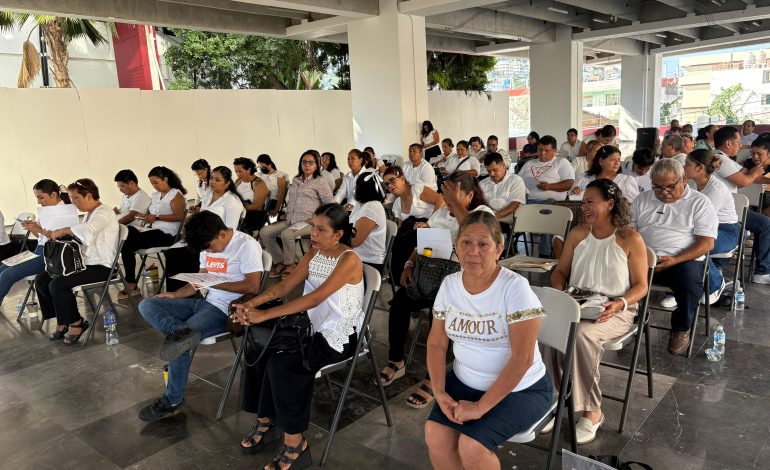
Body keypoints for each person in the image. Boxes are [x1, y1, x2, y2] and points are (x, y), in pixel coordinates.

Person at [234, 204, 364, 469]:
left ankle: (296, 444)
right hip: (312, 326)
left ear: (338, 235)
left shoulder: (348, 258)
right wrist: (252, 305)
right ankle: (266, 419)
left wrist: (264, 315)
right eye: (312, 226)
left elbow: (314, 298)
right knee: (260, 347)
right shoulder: (314, 253)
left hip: (339, 334)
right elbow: (284, 285)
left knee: (285, 365)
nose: (312, 233)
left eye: (320, 229)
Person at [423, 211, 551, 470]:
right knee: (435, 434)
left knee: (472, 446)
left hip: (522, 389)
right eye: (466, 242)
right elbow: (437, 343)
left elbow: (522, 359)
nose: (472, 251)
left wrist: (481, 407)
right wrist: (439, 391)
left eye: (483, 244)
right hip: (464, 380)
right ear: (456, 246)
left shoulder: (514, 288)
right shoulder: (449, 285)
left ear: (499, 249)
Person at [548, 179, 649, 444]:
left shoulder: (629, 238)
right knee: (545, 325)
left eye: (590, 202)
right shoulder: (579, 233)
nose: (585, 208)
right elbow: (560, 271)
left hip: (617, 309)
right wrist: (561, 292)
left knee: (582, 335)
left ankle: (593, 411)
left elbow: (641, 286)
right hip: (579, 302)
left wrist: (620, 304)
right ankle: (555, 396)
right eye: (584, 202)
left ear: (611, 204)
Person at [137, 211, 263, 422]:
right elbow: (200, 279)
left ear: (222, 233)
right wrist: (176, 295)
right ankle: (179, 332)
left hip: (223, 310)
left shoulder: (246, 245)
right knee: (147, 304)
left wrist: (214, 284)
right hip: (202, 302)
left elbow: (253, 285)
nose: (208, 251)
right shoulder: (208, 247)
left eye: (210, 246)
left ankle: (173, 398)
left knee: (179, 342)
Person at [382, 172, 491, 410]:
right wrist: (410, 264)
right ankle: (397, 360)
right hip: (429, 275)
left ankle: (434, 380)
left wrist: (456, 206)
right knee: (399, 301)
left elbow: (473, 233)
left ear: (470, 195)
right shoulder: (442, 212)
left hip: (461, 283)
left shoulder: (482, 215)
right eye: (446, 195)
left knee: (438, 313)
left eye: (454, 196)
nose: (447, 202)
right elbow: (423, 241)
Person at [632, 159, 718, 355]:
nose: (664, 192)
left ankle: (681, 328)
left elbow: (706, 243)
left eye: (670, 186)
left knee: (688, 282)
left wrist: (675, 260)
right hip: (645, 258)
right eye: (657, 187)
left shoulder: (699, 202)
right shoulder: (642, 200)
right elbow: (628, 233)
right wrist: (640, 255)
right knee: (615, 271)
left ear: (684, 179)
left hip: (682, 260)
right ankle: (629, 318)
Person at [35, 179, 120, 345]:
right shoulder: (90, 213)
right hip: (86, 263)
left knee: (57, 284)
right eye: (72, 199)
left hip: (103, 266)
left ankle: (76, 322)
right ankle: (61, 320)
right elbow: (80, 236)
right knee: (43, 279)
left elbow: (88, 231)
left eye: (76, 199)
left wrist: (66, 230)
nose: (73, 203)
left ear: (89, 196)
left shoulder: (104, 212)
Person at [261, 151, 334, 279]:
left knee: (287, 234)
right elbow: (291, 200)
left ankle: (291, 265)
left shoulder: (320, 181)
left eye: (311, 162)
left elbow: (330, 204)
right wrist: (285, 212)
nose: (307, 165)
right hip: (290, 219)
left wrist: (317, 219)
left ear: (317, 165)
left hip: (308, 221)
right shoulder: (296, 180)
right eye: (304, 162)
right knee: (265, 232)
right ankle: (281, 261)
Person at [118, 166, 187, 299]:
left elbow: (180, 217)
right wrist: (145, 217)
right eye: (152, 183)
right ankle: (131, 281)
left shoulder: (176, 194)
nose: (154, 186)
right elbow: (152, 214)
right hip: (152, 229)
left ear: (165, 179)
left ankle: (130, 282)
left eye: (156, 182)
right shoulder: (155, 195)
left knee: (128, 235)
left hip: (168, 234)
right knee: (126, 239)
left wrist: (157, 217)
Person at [0, 180, 71, 305]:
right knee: (2, 267)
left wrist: (38, 229)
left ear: (53, 195)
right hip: (40, 250)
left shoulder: (64, 212)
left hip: (53, 256)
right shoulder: (48, 210)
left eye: (41, 197)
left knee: (8, 274)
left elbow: (60, 240)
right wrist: (33, 228)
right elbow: (41, 237)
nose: (39, 202)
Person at [684, 149, 739, 304]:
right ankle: (683, 287)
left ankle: (716, 283)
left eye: (687, 164)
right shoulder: (690, 183)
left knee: (694, 246)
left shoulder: (716, 189)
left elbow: (701, 219)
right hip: (701, 228)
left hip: (726, 230)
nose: (683, 167)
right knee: (681, 242)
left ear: (699, 168)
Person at [520, 135, 576, 256]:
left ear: (555, 151)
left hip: (552, 203)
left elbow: (569, 183)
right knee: (513, 209)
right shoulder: (529, 163)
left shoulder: (561, 162)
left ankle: (544, 253)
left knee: (548, 212)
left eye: (546, 151)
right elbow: (517, 181)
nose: (542, 153)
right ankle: (508, 248)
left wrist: (550, 187)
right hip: (529, 202)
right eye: (540, 150)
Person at [571, 145, 639, 203]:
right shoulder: (586, 177)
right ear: (601, 161)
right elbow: (573, 196)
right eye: (612, 160)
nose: (617, 163)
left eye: (618, 159)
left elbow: (634, 204)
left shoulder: (626, 181)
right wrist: (575, 191)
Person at [350, 172, 387, 272]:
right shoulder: (361, 204)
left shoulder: (372, 207)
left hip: (368, 262)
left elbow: (355, 241)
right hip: (356, 257)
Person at [480, 152, 526, 222]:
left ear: (504, 165)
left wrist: (495, 217)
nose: (492, 174)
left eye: (495, 170)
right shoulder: (482, 183)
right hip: (486, 219)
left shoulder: (516, 180)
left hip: (508, 220)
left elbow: (514, 205)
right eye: (489, 171)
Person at [234, 157, 270, 233]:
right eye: (236, 171)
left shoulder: (258, 183)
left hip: (253, 216)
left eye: (240, 171)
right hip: (240, 211)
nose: (237, 174)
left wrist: (239, 208)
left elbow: (258, 206)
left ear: (249, 170)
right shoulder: (238, 181)